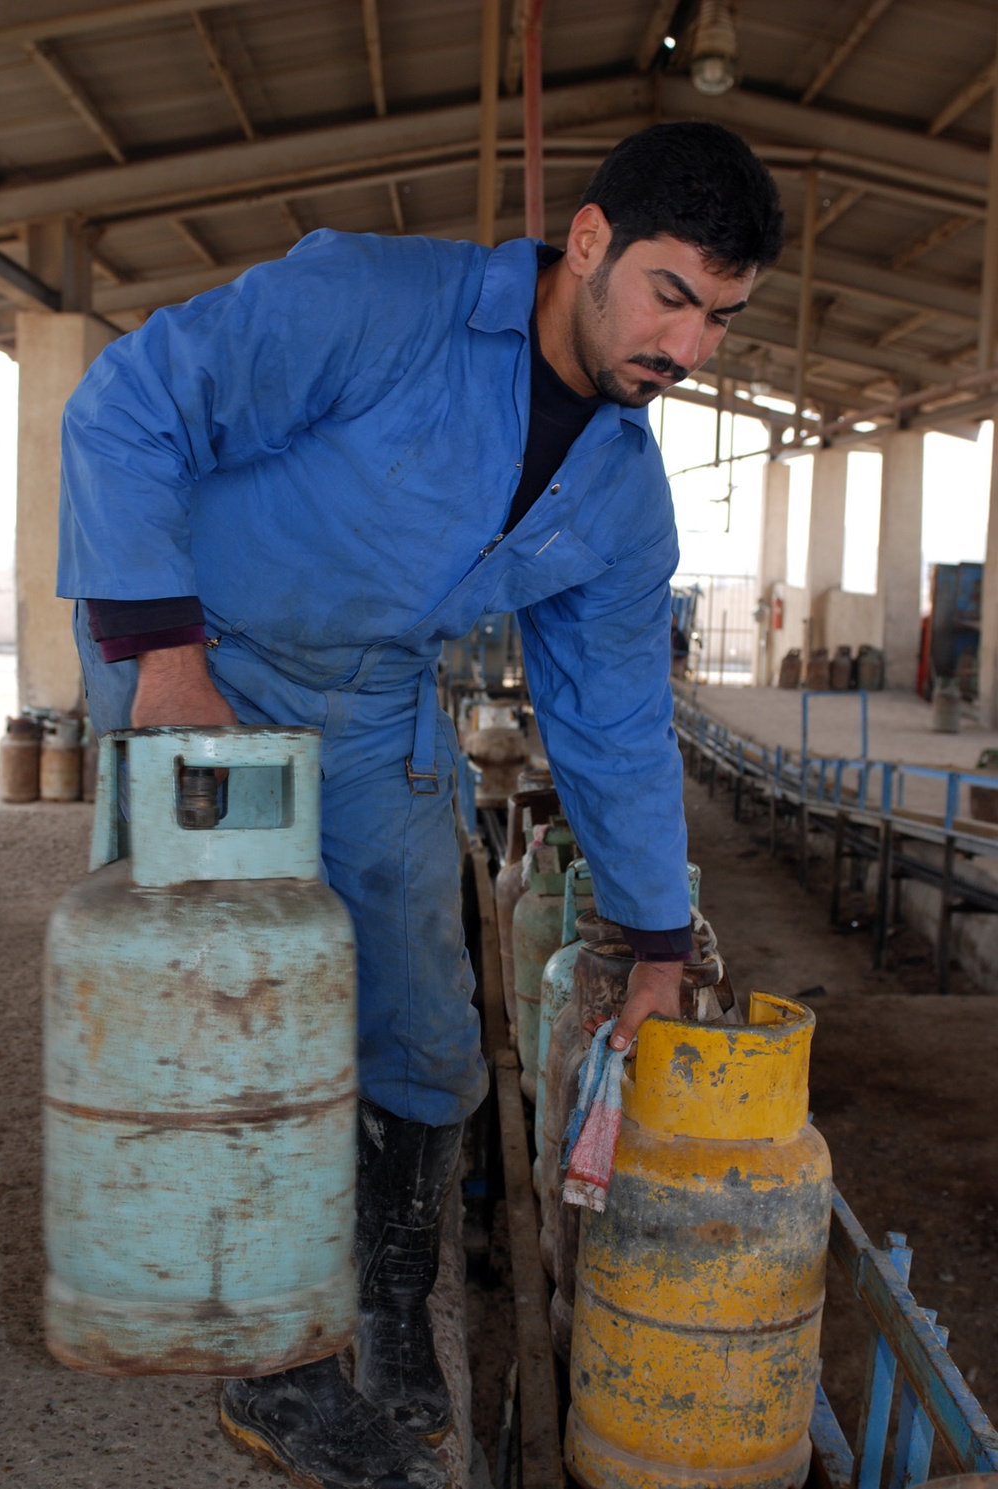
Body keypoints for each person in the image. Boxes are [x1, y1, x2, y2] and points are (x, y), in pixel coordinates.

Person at [58, 120, 783, 1489]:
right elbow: (129, 399)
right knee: (233, 1015)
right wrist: (161, 657)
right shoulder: (376, 305)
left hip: (374, 697)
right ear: (588, 244)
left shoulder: (621, 497)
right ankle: (275, 1364)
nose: (687, 349)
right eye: (671, 295)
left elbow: (615, 718)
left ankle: (390, 1306)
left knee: (429, 1028)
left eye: (723, 319)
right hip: (196, 659)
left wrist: (656, 940)